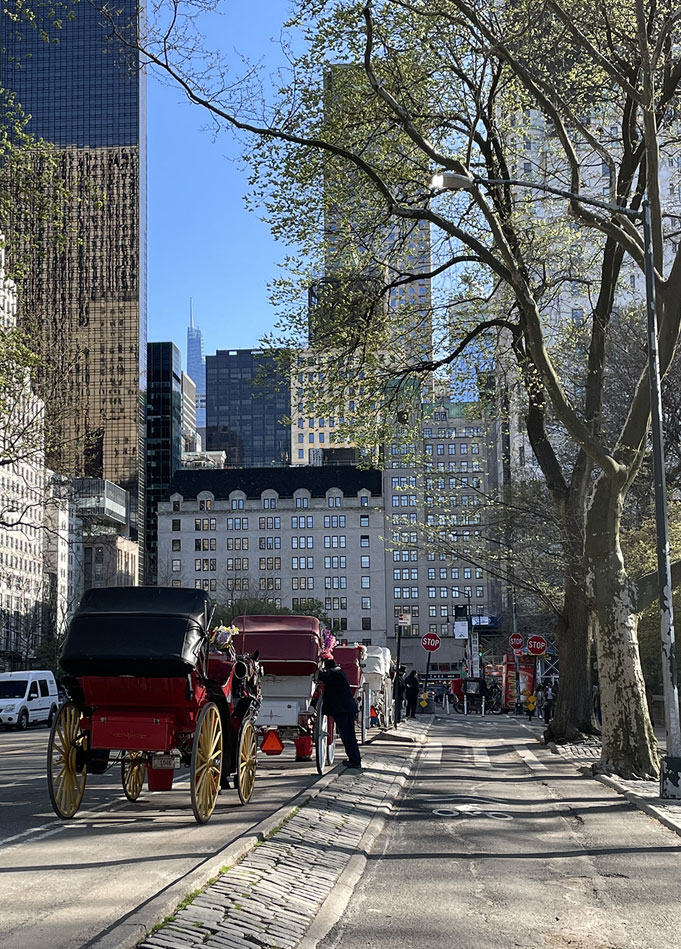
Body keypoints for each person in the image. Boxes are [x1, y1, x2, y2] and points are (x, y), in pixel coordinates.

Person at [316, 657, 362, 769]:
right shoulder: (339, 673)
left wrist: (316, 669)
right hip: (344, 709)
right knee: (347, 735)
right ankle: (354, 759)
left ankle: (355, 760)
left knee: (348, 736)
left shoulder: (336, 674)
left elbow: (323, 676)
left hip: (343, 710)